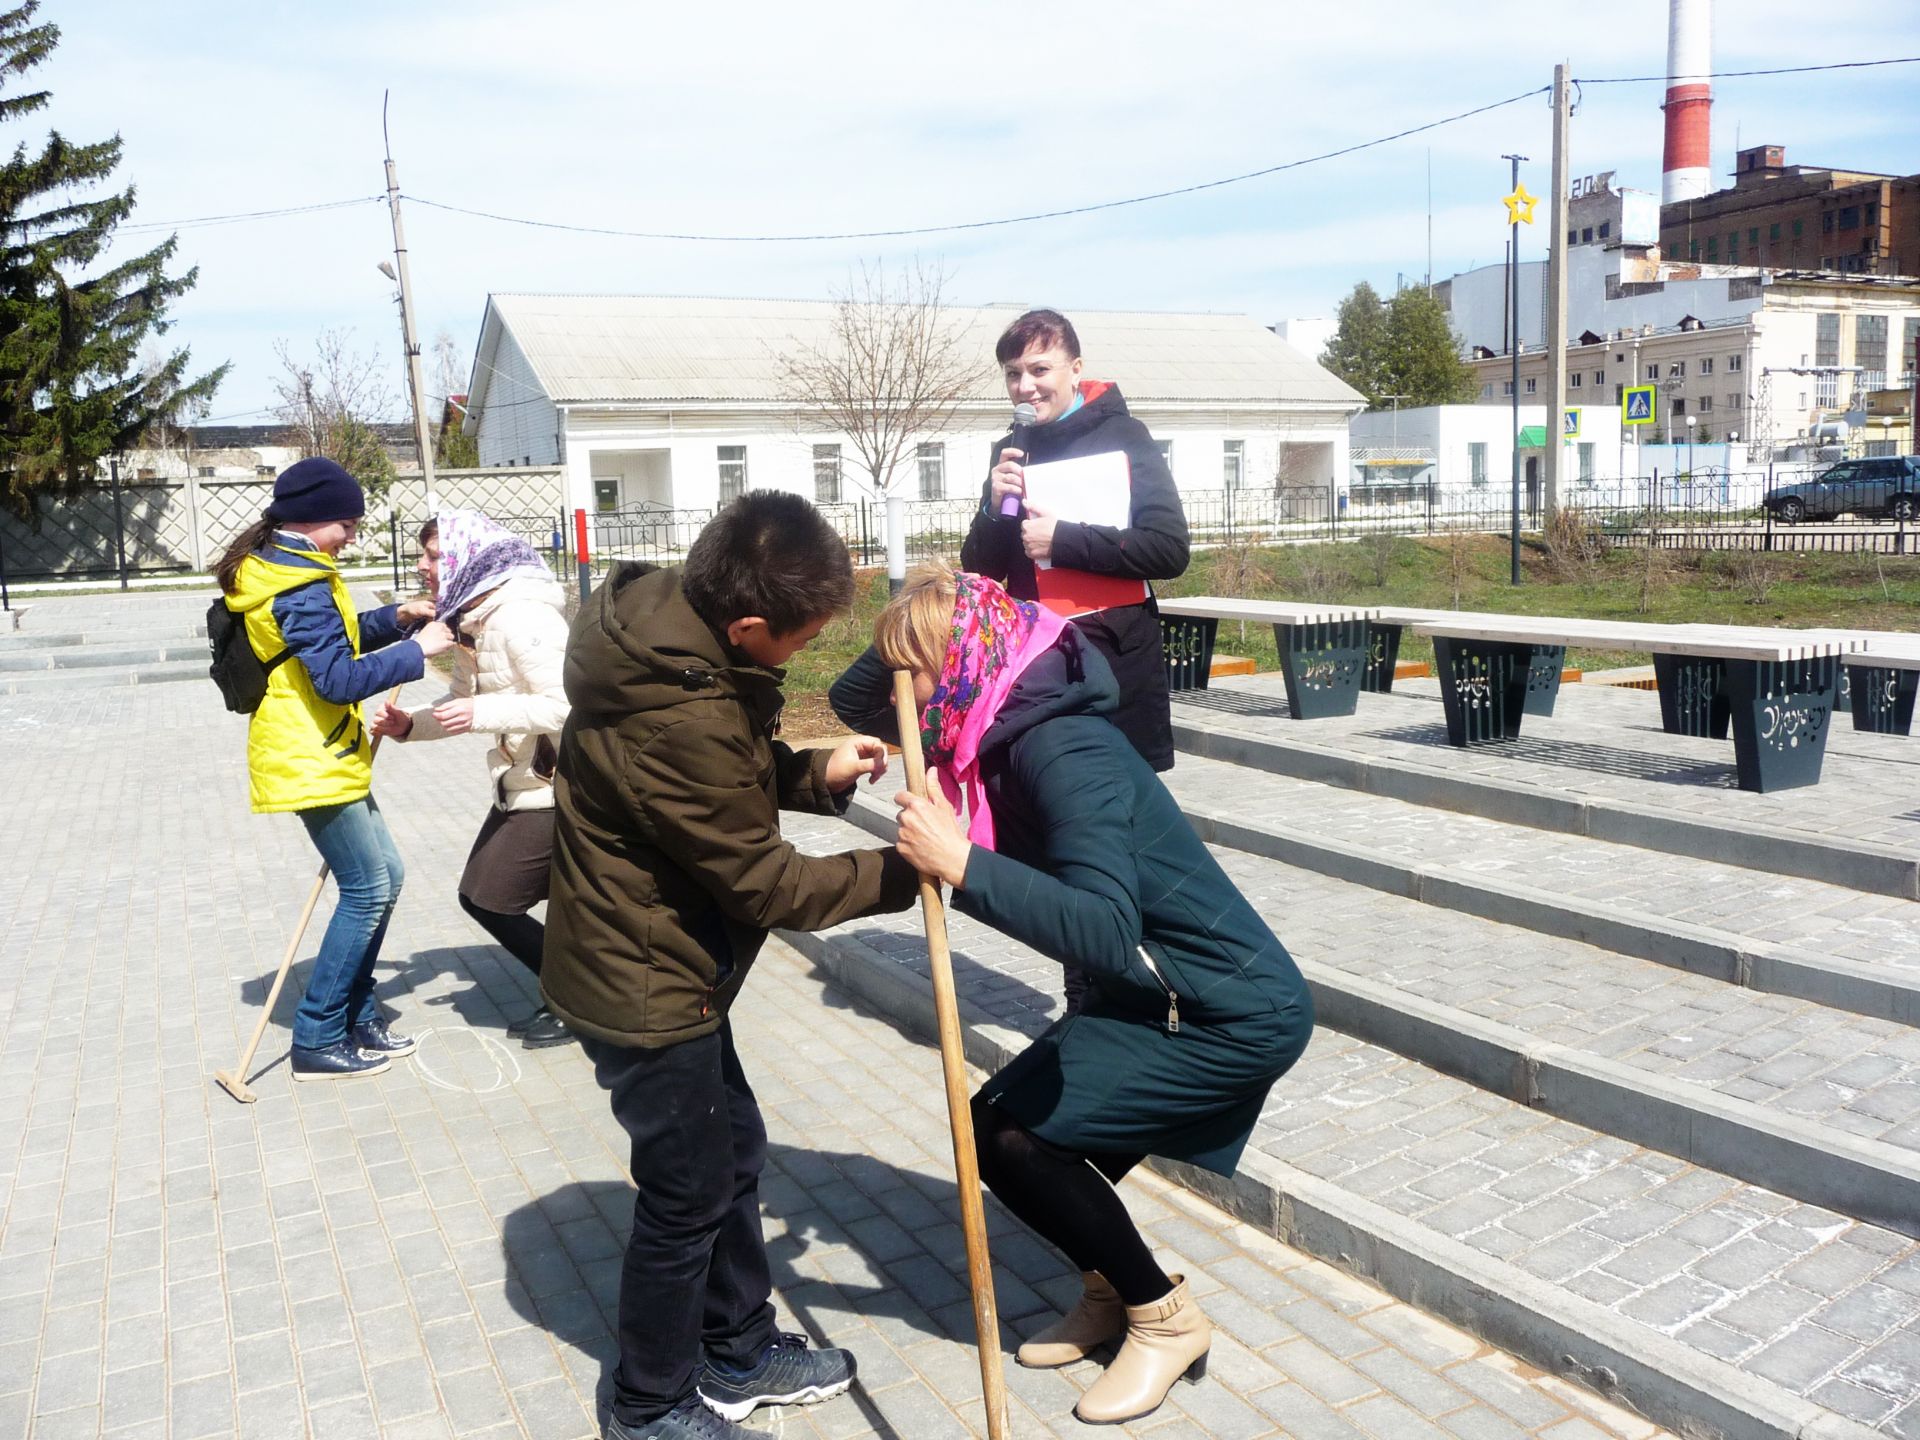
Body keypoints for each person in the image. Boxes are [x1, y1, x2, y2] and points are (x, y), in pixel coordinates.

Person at [877, 563, 1313, 1427]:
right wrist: (930, 603)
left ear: (962, 661)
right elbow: (870, 684)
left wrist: (963, 863)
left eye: (915, 673)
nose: (904, 697)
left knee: (1015, 1143)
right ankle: (1109, 1290)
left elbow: (1107, 932)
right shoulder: (996, 722)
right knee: (1006, 1135)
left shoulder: (1061, 748)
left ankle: (1162, 1318)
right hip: (1153, 995)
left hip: (1227, 1011)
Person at [540, 492, 921, 1440]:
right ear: (747, 624)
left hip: (667, 960)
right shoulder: (678, 714)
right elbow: (765, 884)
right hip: (644, 979)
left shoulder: (672, 632)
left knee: (733, 1149)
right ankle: (649, 1402)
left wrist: (810, 771)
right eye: (800, 639)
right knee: (687, 1193)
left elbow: (715, 784)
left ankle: (739, 1348)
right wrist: (899, 874)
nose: (800, 653)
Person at [216, 457, 456, 1081]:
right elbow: (336, 678)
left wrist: (396, 617)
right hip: (308, 755)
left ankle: (355, 1011)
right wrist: (416, 653)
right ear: (315, 519)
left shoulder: (292, 567)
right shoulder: (296, 583)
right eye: (347, 524)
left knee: (387, 876)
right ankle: (319, 1035)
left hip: (321, 750)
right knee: (369, 887)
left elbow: (333, 639)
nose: (351, 535)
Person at [371, 511, 574, 1049]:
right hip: (521, 782)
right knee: (485, 895)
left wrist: (481, 712)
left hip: (557, 787)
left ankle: (579, 1000)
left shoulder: (523, 616)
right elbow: (462, 702)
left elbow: (569, 707)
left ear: (469, 557)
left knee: (491, 897)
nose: (422, 565)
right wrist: (410, 725)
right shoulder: (474, 619)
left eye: (434, 555)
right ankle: (582, 991)